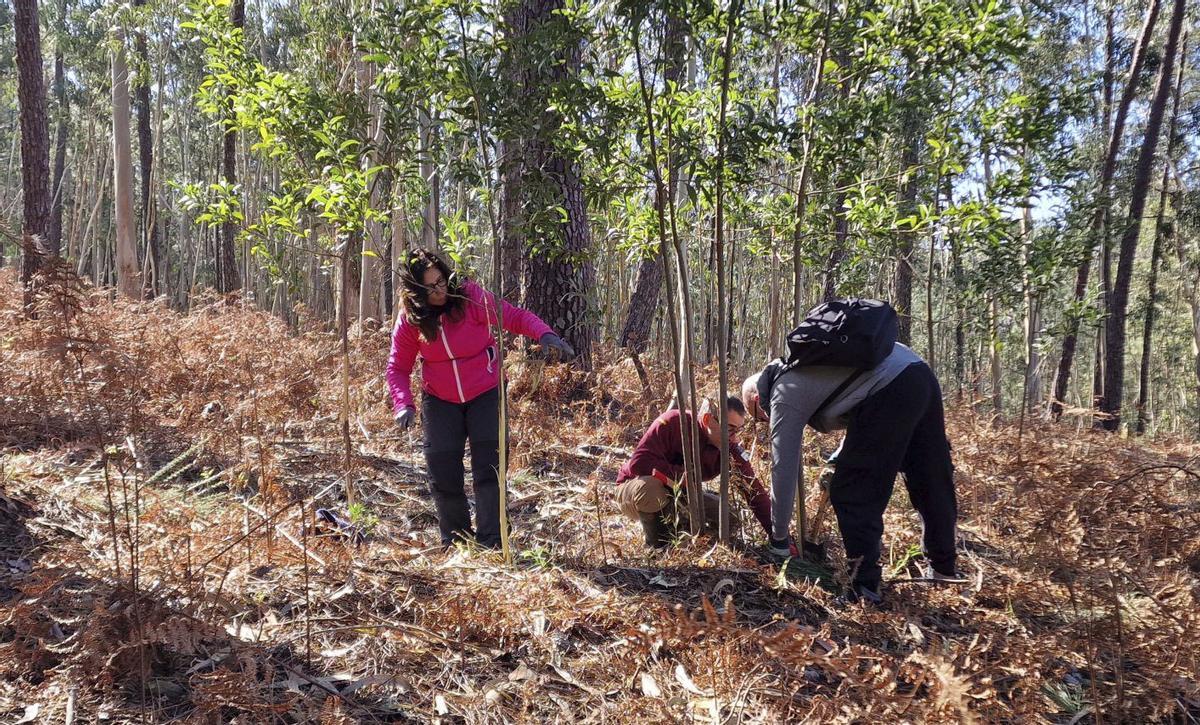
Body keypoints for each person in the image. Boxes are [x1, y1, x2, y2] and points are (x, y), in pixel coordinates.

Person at [387, 249, 574, 549]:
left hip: (486, 392)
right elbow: (397, 367)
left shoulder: (469, 296)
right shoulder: (412, 320)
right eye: (431, 287)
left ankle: (493, 541)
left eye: (441, 280)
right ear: (416, 292)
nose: (440, 290)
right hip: (440, 399)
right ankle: (458, 541)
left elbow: (512, 315)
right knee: (443, 472)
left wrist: (543, 334)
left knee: (490, 471)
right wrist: (403, 404)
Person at [742, 344, 957, 603]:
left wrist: (778, 538)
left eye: (760, 417)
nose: (766, 422)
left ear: (757, 401)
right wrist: (841, 456)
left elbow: (782, 467)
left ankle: (864, 588)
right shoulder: (802, 367)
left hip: (890, 386)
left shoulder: (782, 392)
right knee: (928, 473)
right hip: (917, 373)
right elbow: (858, 401)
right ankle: (943, 568)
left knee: (852, 491)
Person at [615, 396, 774, 548]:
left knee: (728, 517)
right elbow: (639, 463)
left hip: (681, 494)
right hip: (633, 488)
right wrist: (679, 475)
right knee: (650, 489)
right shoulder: (673, 422)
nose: (734, 439)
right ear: (707, 419)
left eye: (738, 431)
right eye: (730, 429)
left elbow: (753, 490)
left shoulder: (729, 447)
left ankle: (688, 537)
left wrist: (778, 536)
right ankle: (659, 548)